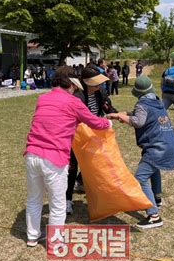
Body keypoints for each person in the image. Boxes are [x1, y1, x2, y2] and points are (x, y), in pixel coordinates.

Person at [24, 66, 112, 247]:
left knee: (34, 199)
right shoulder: (73, 102)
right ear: (72, 84)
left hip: (32, 154)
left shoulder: (42, 98)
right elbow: (95, 122)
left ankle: (32, 236)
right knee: (58, 204)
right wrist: (110, 122)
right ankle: (55, 243)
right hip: (54, 158)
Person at [107, 75, 174, 229]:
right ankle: (156, 199)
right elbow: (139, 115)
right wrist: (121, 114)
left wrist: (120, 116)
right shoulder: (157, 102)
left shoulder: (142, 105)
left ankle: (154, 216)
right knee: (154, 169)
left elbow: (139, 121)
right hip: (168, 144)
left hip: (157, 148)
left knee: (140, 178)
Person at [65, 68, 117, 214]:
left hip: (94, 133)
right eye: (95, 84)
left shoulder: (101, 93)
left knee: (95, 161)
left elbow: (107, 107)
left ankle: (81, 182)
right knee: (72, 167)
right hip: (77, 135)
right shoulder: (77, 96)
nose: (98, 86)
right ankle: (67, 200)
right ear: (86, 82)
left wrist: (116, 114)